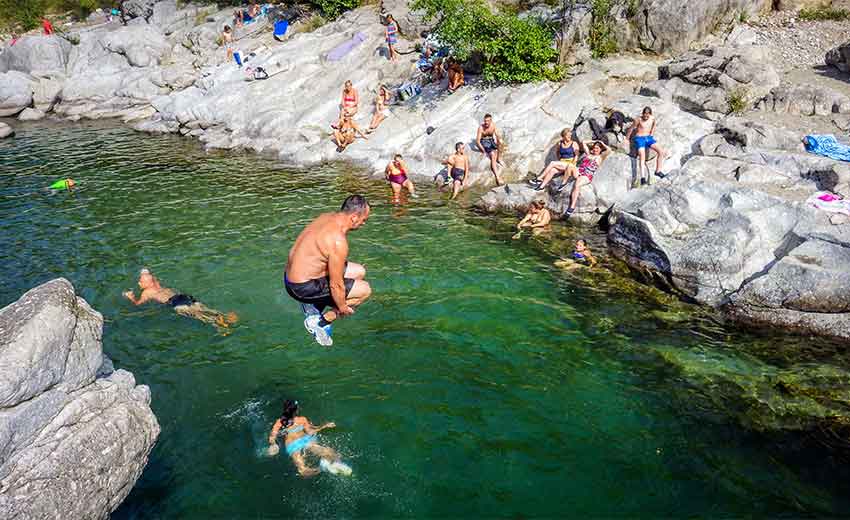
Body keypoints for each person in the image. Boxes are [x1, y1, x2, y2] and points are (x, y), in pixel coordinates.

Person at [284, 195, 373, 346]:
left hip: (291, 276)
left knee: (359, 271)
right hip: (301, 287)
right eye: (363, 220)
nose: (363, 223)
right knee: (364, 290)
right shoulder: (338, 241)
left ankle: (313, 305)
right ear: (353, 218)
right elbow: (336, 285)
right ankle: (319, 322)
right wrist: (343, 308)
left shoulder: (326, 217)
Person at [123, 268, 238, 329]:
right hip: (183, 296)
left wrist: (131, 297)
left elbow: (138, 304)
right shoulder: (157, 284)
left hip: (176, 303)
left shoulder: (147, 292)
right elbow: (149, 275)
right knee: (202, 308)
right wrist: (145, 272)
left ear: (148, 283)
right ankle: (225, 316)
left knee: (199, 315)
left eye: (141, 282)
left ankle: (219, 325)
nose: (139, 283)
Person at [267, 399, 350, 477]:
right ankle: (335, 463)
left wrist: (274, 444)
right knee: (328, 452)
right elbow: (310, 431)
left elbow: (272, 436)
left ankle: (322, 468)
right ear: (296, 410)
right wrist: (323, 426)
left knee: (302, 469)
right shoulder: (302, 419)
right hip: (306, 440)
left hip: (293, 446)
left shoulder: (279, 422)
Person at [559, 140, 610, 219]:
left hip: (587, 175)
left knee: (577, 184)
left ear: (600, 150)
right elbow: (583, 142)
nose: (595, 149)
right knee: (570, 166)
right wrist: (594, 141)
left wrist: (602, 143)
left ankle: (571, 207)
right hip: (579, 171)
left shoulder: (600, 157)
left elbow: (609, 150)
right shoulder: (589, 154)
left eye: (597, 148)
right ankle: (563, 184)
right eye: (595, 148)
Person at [625, 106, 666, 187]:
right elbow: (631, 128)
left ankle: (658, 171)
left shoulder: (652, 118)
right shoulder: (638, 120)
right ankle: (643, 178)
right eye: (645, 114)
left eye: (648, 114)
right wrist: (626, 139)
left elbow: (654, 125)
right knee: (642, 156)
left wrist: (652, 133)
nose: (646, 116)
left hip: (648, 138)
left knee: (661, 151)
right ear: (642, 113)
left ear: (650, 114)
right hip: (640, 139)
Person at [476, 114, 503, 186]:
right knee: (493, 155)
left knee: (500, 144)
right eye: (485, 121)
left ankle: (499, 159)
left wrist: (499, 140)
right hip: (484, 142)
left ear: (491, 121)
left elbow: (497, 134)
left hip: (491, 140)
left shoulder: (493, 125)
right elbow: (478, 141)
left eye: (488, 121)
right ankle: (497, 177)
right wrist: (483, 151)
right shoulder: (481, 128)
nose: (486, 122)